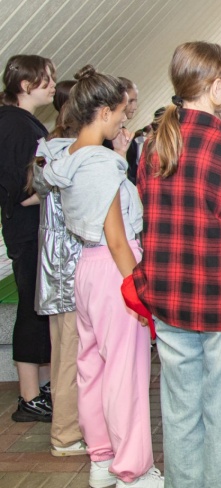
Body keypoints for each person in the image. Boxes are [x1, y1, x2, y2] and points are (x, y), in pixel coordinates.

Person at [133, 42, 221, 488]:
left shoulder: (154, 144)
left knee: (180, 409)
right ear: (216, 88)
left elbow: (146, 216)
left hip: (168, 300)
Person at [42, 65, 162, 487]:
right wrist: (139, 288)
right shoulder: (102, 163)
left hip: (86, 270)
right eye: (123, 111)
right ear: (105, 111)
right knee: (126, 373)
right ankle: (134, 469)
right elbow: (116, 238)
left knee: (91, 367)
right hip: (115, 270)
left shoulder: (68, 156)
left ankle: (102, 458)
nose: (126, 118)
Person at [0, 54, 55, 423]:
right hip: (27, 229)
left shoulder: (22, 122)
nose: (51, 85)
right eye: (45, 79)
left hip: (32, 229)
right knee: (32, 312)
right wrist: (63, 184)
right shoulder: (15, 125)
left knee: (41, 309)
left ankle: (42, 389)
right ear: (25, 84)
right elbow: (23, 191)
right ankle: (30, 397)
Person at [32, 90, 87, 457]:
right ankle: (66, 434)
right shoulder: (74, 155)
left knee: (64, 350)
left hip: (54, 264)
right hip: (70, 263)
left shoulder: (47, 150)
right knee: (70, 353)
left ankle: (70, 427)